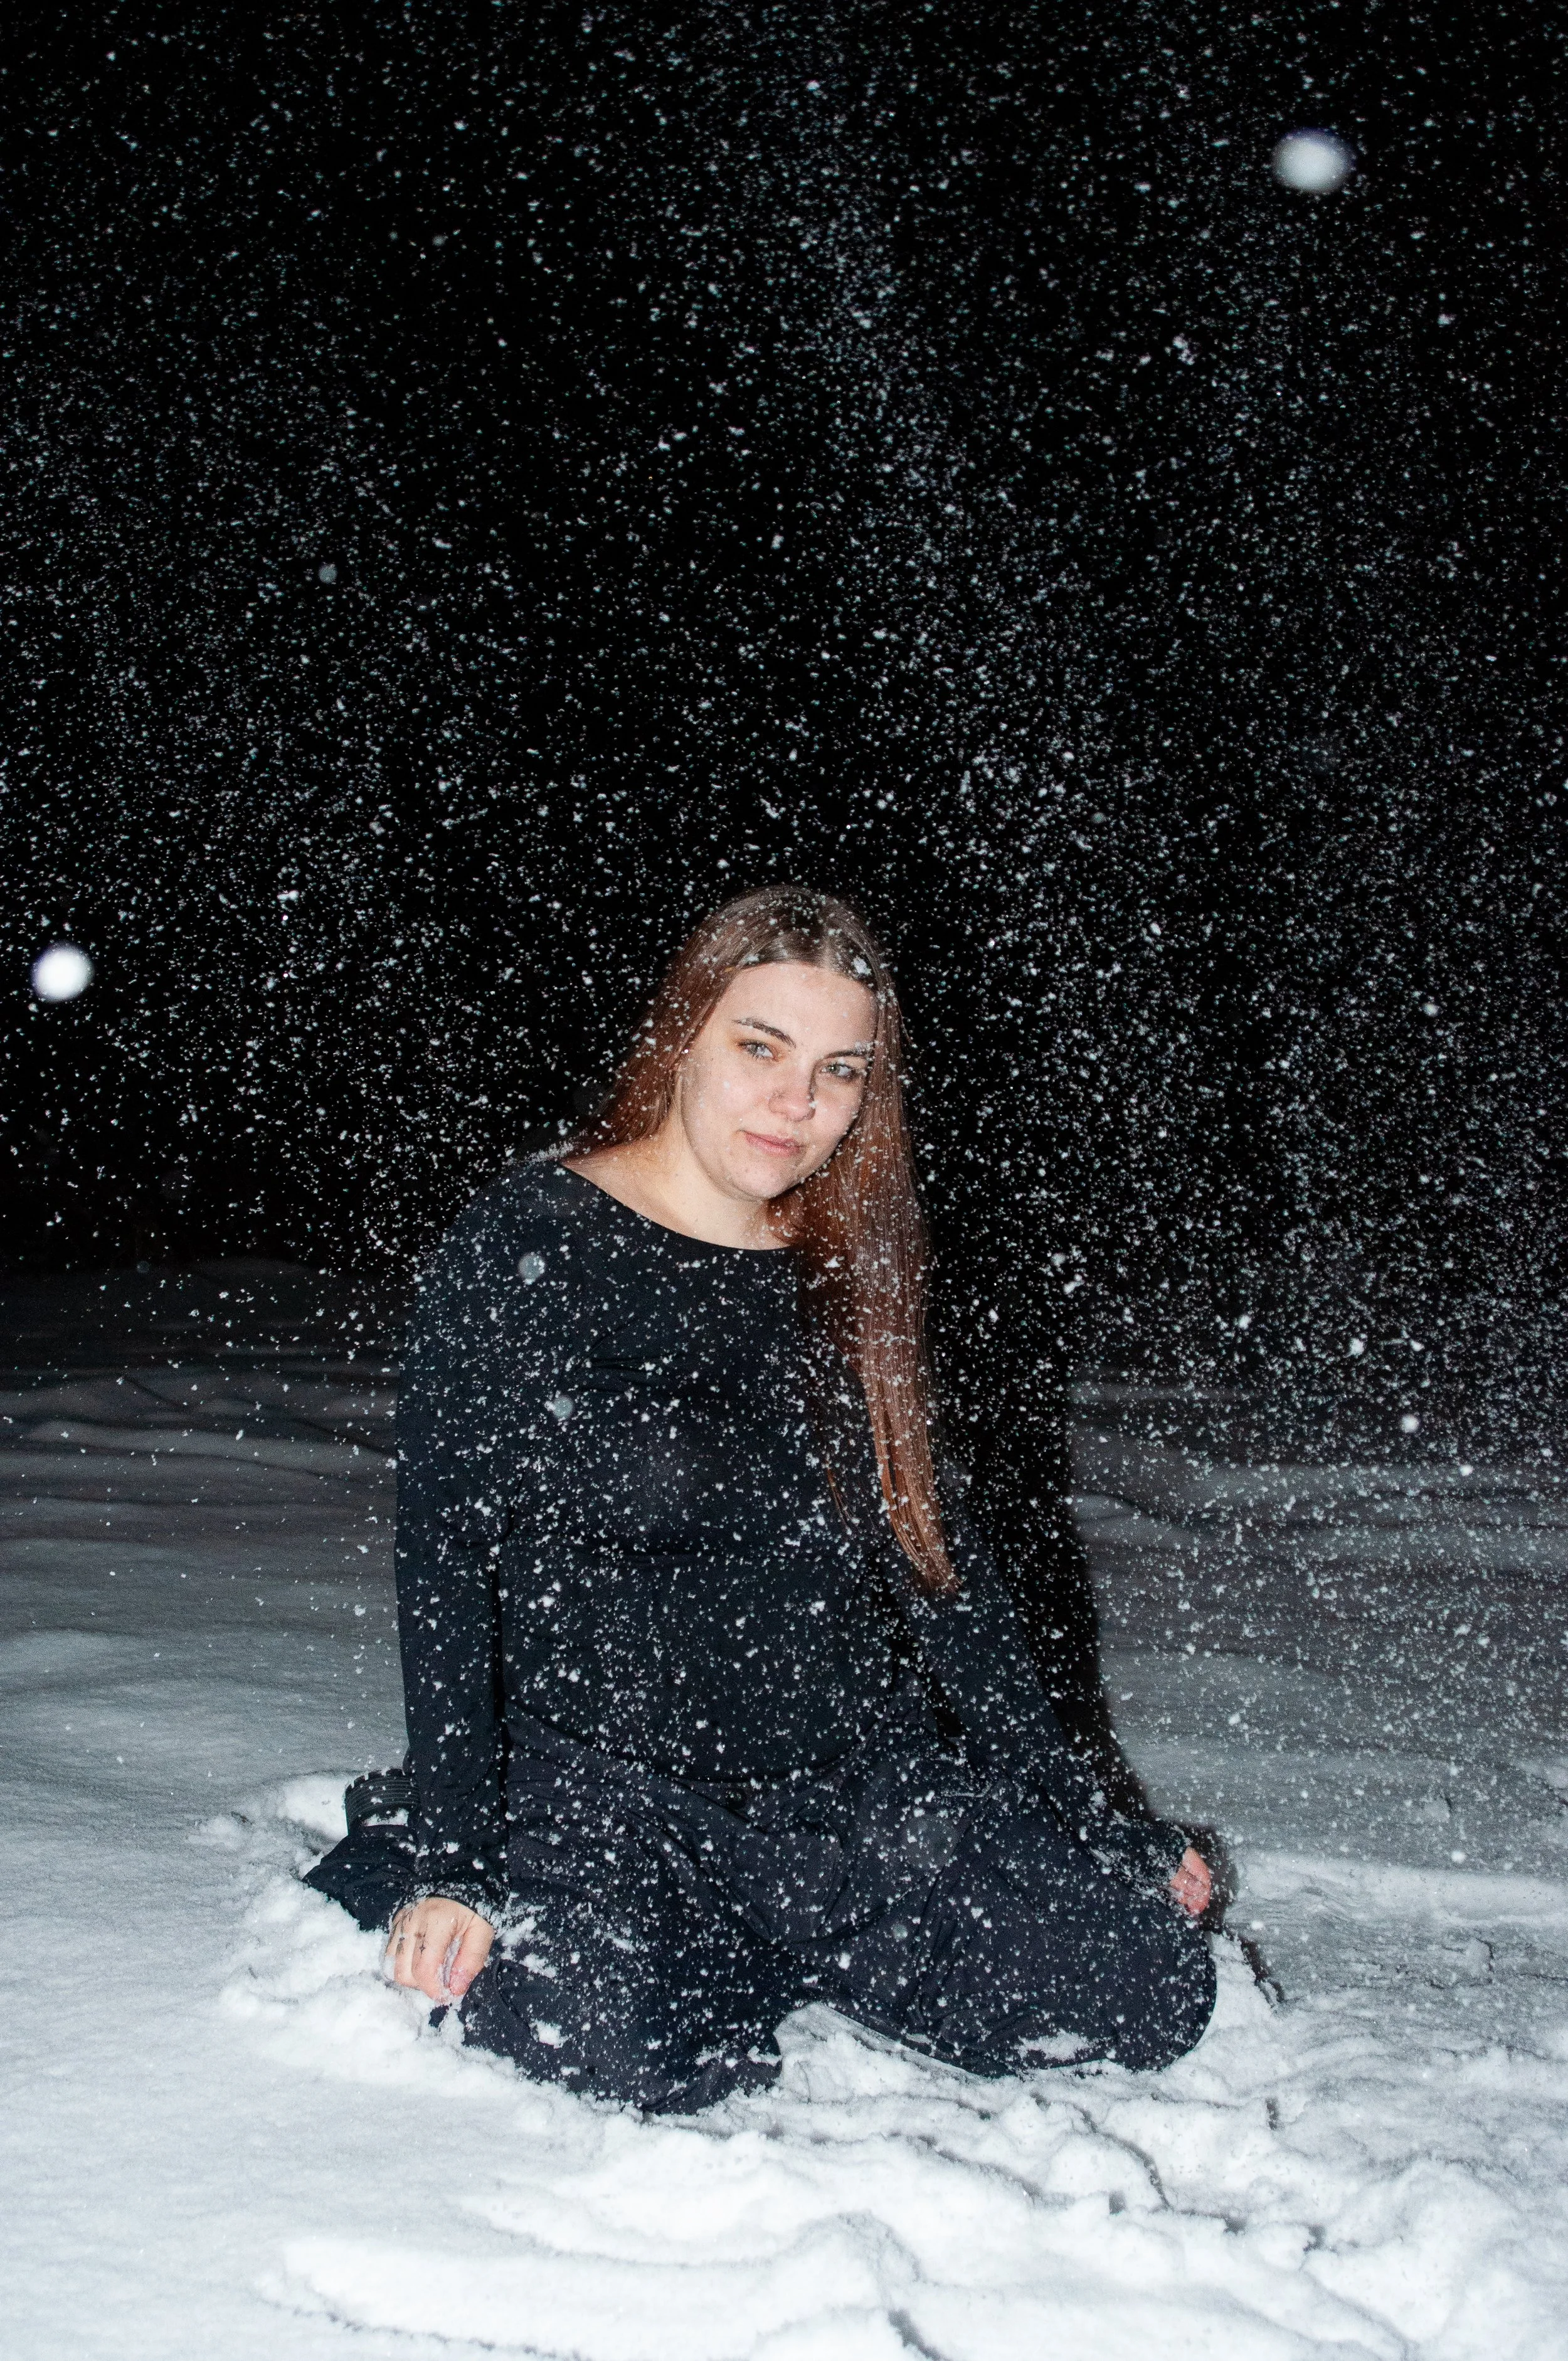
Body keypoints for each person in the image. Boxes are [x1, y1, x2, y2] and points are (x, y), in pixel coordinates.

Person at [307, 885, 1216, 2111]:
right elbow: (446, 1568)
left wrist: (1086, 1823)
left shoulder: (849, 1274)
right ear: (684, 1034)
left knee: (1139, 1983)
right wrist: (454, 1860)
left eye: (840, 1071)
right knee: (611, 2042)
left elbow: (948, 1582)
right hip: (611, 1787)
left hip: (844, 1793)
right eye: (759, 1048)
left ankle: (779, 1947)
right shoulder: (535, 1241)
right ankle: (582, 1913)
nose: (798, 1102)